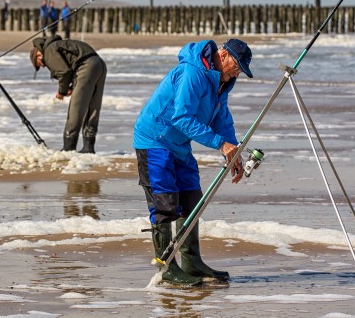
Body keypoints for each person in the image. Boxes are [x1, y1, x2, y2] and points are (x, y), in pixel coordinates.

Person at [133, 38, 253, 286]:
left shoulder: (222, 83)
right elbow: (182, 117)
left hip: (179, 145)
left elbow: (222, 121)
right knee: (165, 203)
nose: (236, 73)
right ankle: (166, 268)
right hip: (155, 139)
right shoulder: (193, 73)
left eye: (240, 70)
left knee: (192, 201)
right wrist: (220, 144)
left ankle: (192, 263)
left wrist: (232, 153)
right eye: (236, 66)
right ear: (223, 54)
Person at [30, 35, 106, 153]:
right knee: (93, 107)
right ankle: (88, 147)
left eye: (39, 64)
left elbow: (64, 72)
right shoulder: (58, 45)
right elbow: (70, 68)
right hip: (99, 63)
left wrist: (62, 92)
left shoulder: (49, 51)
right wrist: (70, 87)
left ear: (39, 54)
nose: (43, 66)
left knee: (76, 108)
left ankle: (68, 148)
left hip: (86, 66)